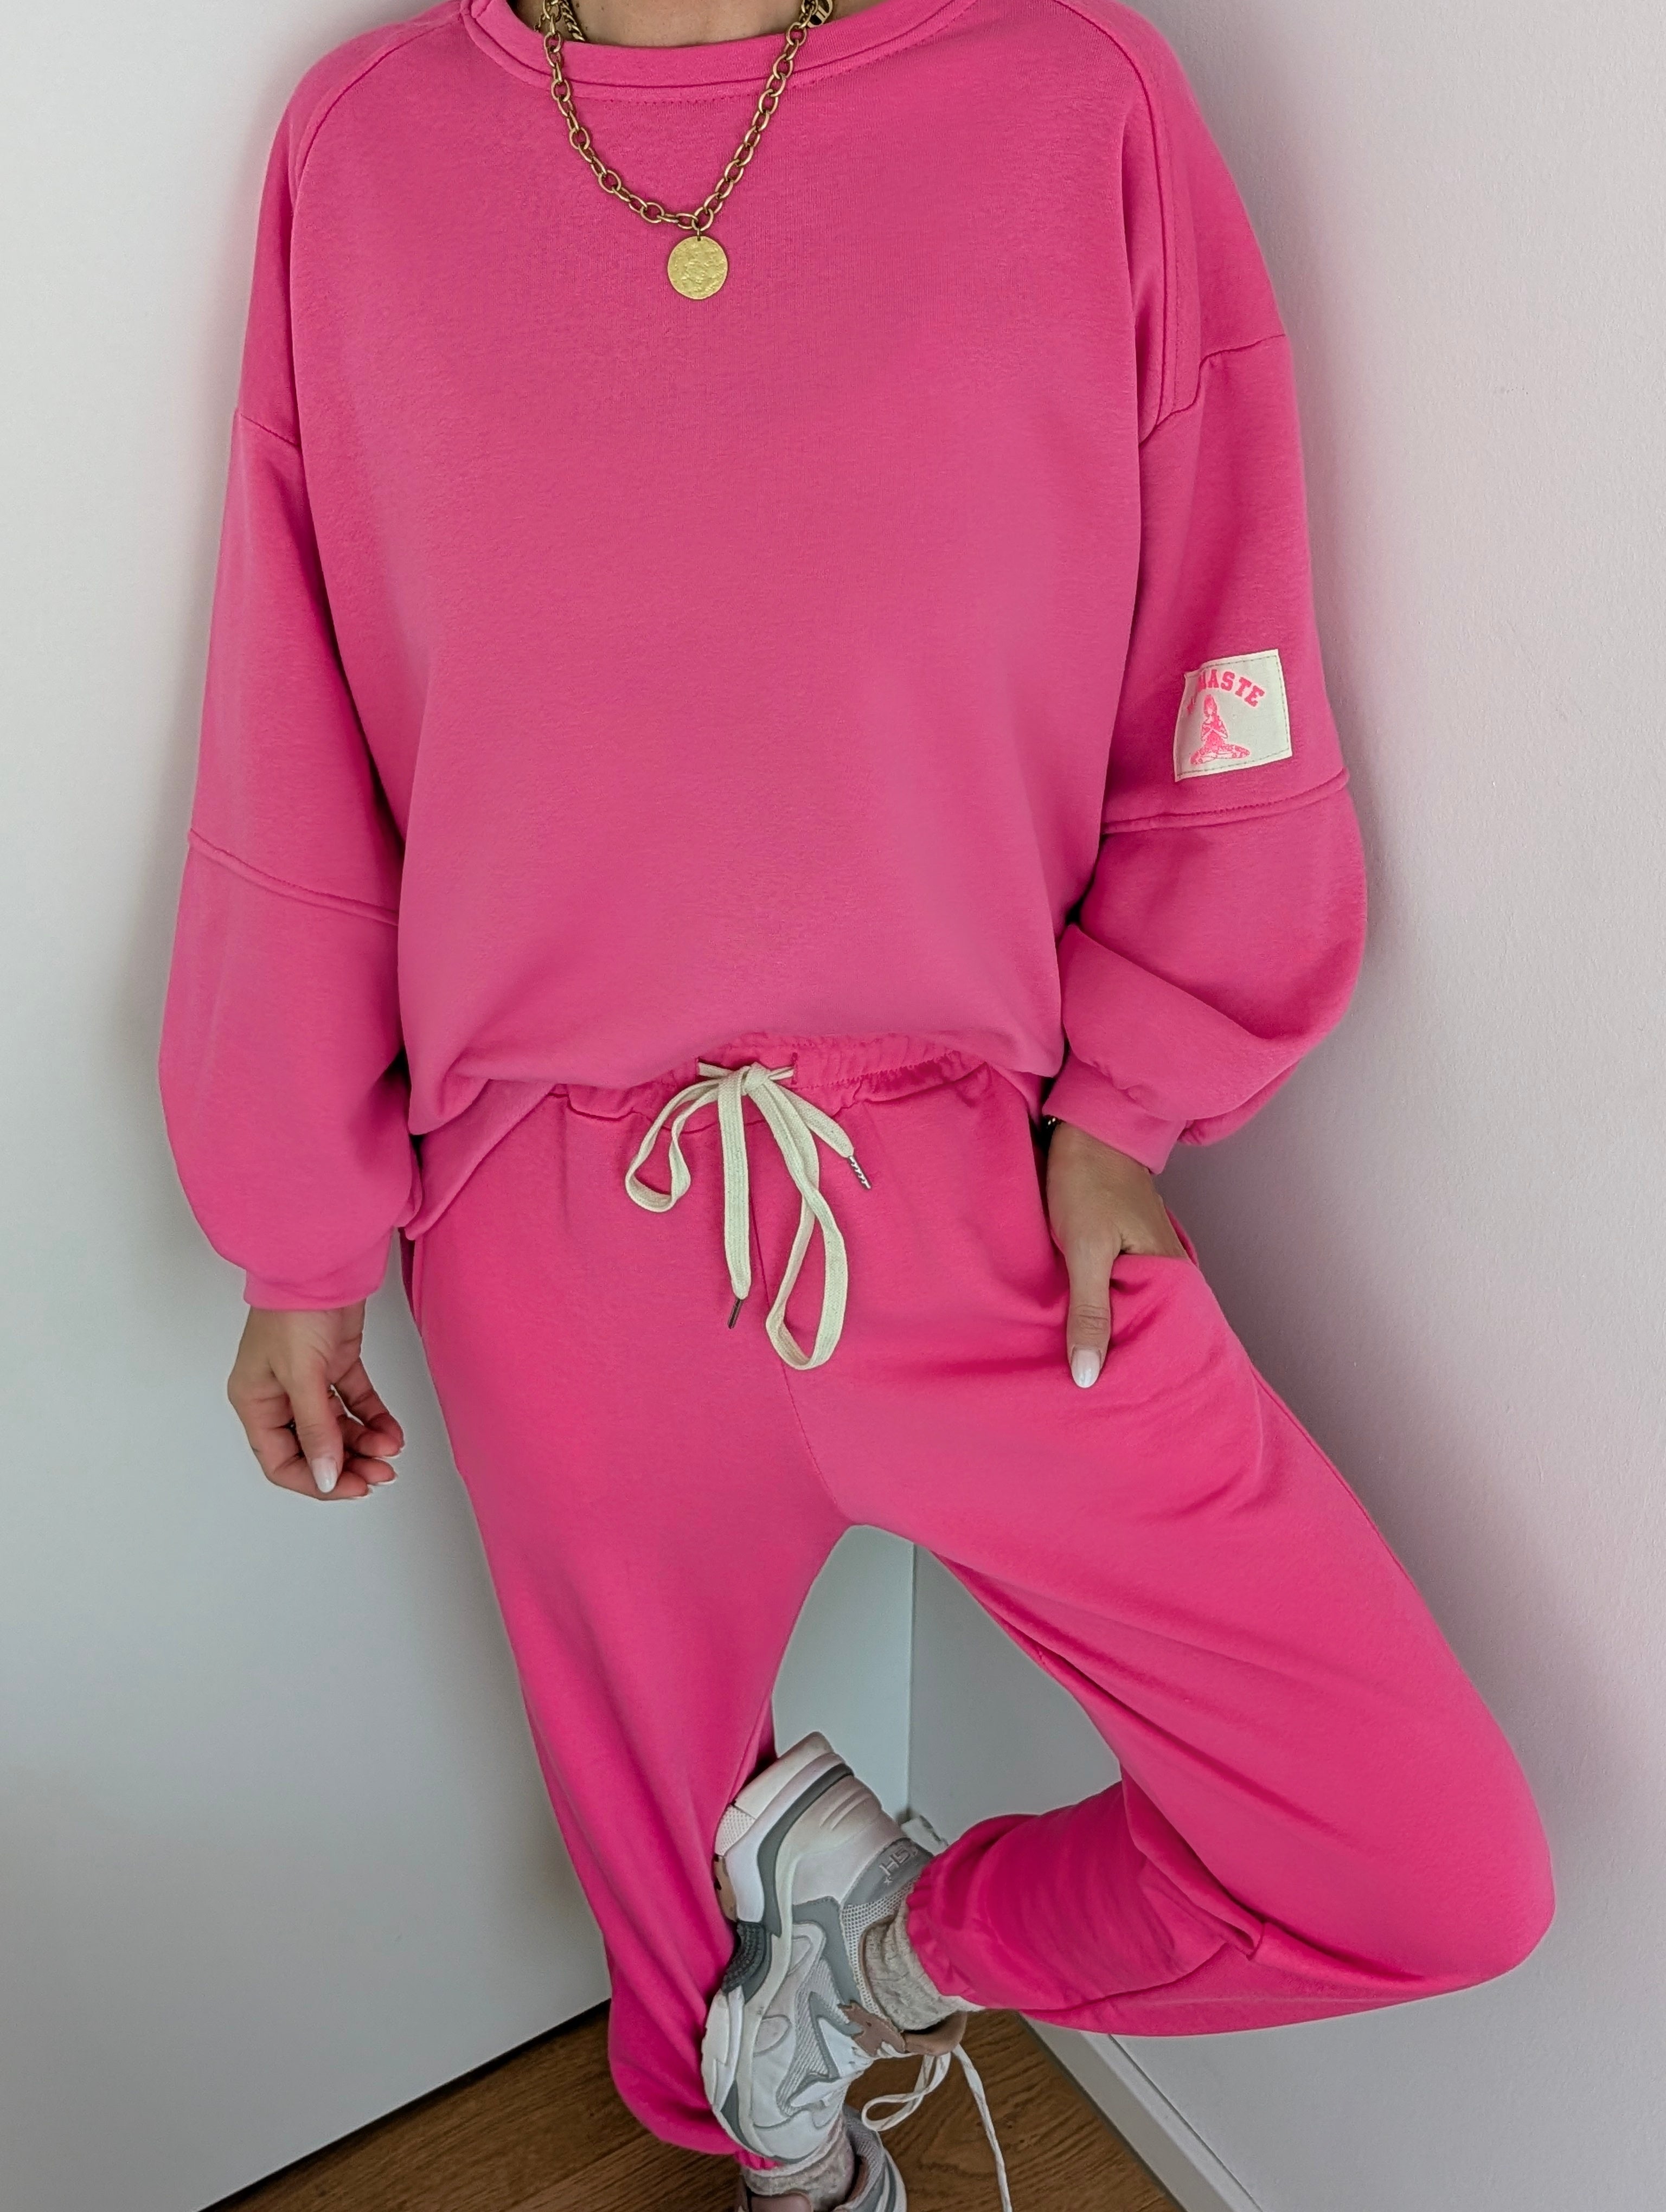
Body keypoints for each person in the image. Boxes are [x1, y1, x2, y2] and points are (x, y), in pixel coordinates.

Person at [158, 1, 1556, 2205]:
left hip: (985, 1191)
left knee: (1425, 1865)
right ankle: (782, 2144)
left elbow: (1223, 633)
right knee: (664, 1933)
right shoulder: (370, 151)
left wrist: (1136, 1098)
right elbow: (294, 718)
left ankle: (872, 1956)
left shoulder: (1072, 100)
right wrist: (297, 1233)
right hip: (549, 1213)